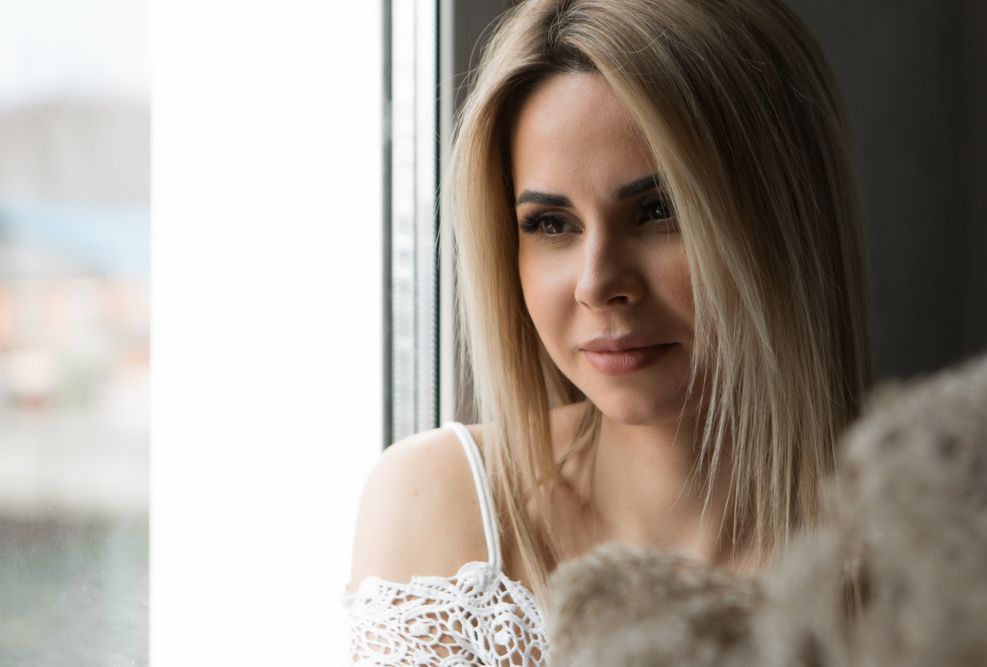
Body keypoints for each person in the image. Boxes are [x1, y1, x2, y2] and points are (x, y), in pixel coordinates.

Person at [343, 0, 871, 664]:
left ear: (784, 215)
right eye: (552, 223)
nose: (596, 283)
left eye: (658, 210)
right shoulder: (441, 509)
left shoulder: (931, 569)